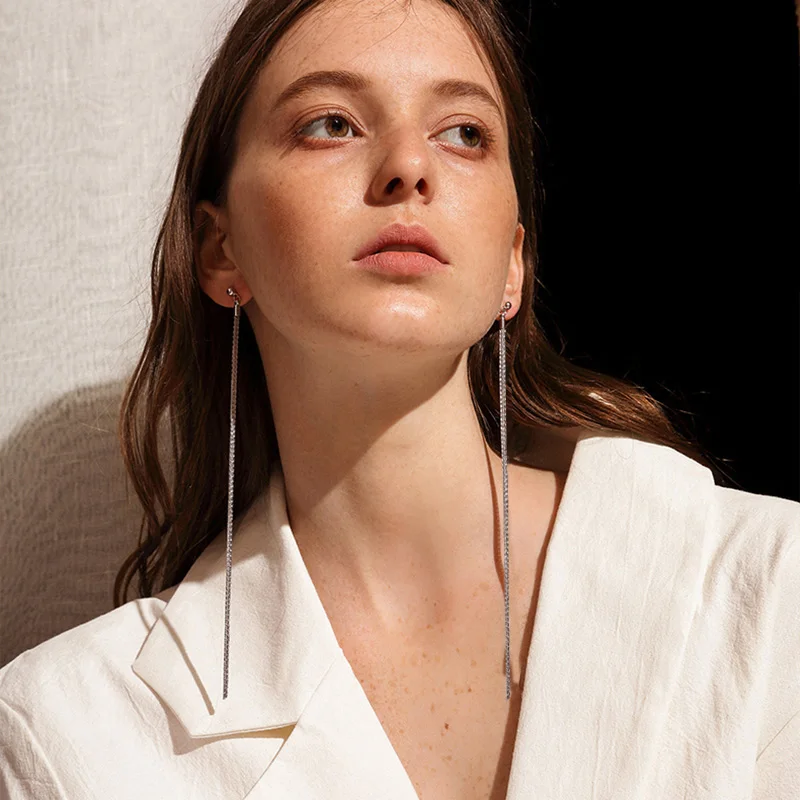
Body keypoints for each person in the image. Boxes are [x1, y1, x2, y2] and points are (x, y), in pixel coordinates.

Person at [1, 0, 798, 797]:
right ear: (220, 248)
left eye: (464, 134)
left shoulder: (768, 586)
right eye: (332, 124)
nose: (410, 168)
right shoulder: (71, 734)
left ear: (513, 264)